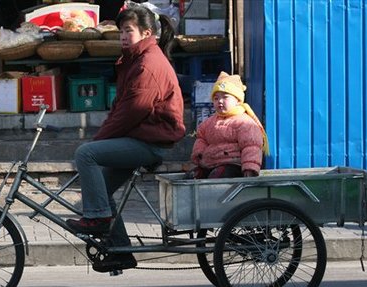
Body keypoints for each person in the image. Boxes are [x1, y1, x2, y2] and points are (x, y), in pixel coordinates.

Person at [66, 5, 185, 272]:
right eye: (121, 31)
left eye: (128, 31)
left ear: (146, 33)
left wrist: (97, 143)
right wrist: (101, 138)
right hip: (140, 136)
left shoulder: (148, 65)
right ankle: (120, 252)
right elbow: (119, 110)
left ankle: (96, 219)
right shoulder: (135, 60)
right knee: (101, 190)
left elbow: (131, 113)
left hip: (150, 142)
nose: (122, 36)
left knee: (86, 154)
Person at [188, 71, 269, 179]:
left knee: (217, 176)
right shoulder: (209, 122)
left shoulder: (245, 122)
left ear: (237, 100)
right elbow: (201, 138)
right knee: (193, 175)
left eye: (225, 97)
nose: (220, 101)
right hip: (210, 163)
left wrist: (249, 168)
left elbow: (251, 146)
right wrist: (199, 154)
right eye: (216, 98)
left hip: (233, 165)